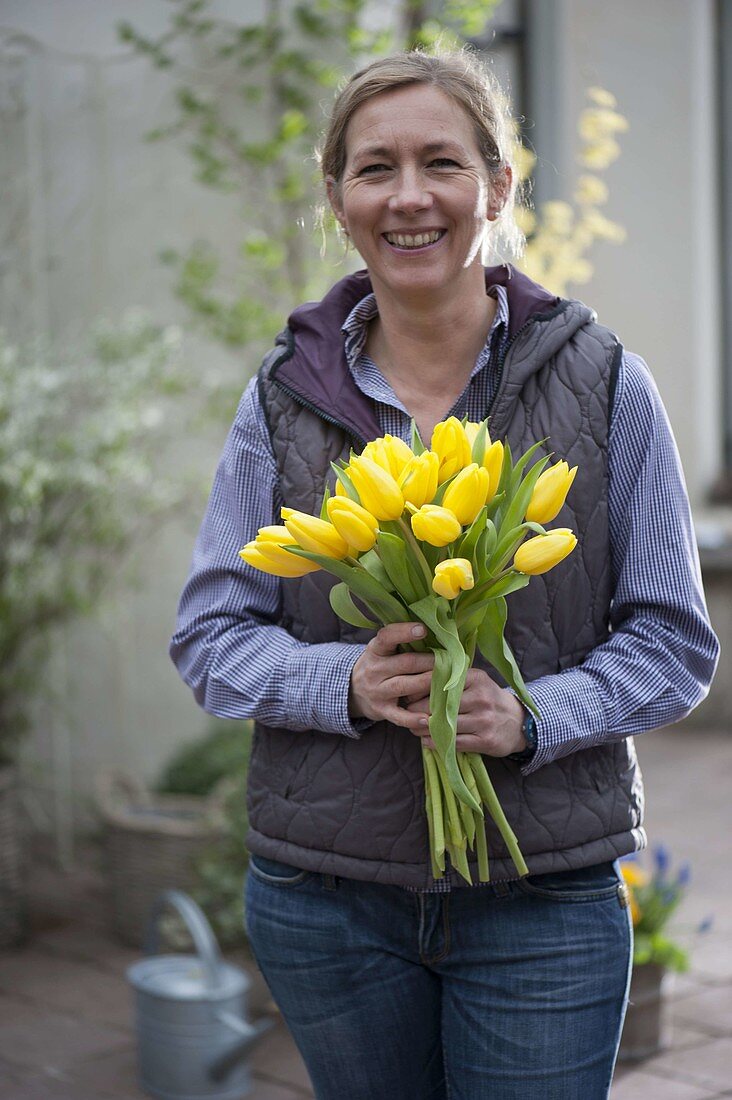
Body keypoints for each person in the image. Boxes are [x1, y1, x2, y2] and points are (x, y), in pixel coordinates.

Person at [170, 48, 719, 1100]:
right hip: (328, 897)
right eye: (375, 168)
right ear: (336, 198)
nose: (409, 196)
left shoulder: (604, 381)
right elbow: (209, 634)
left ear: (498, 185)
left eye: (442, 163)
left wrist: (532, 713)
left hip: (542, 897)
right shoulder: (283, 399)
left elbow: (674, 640)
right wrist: (343, 682)